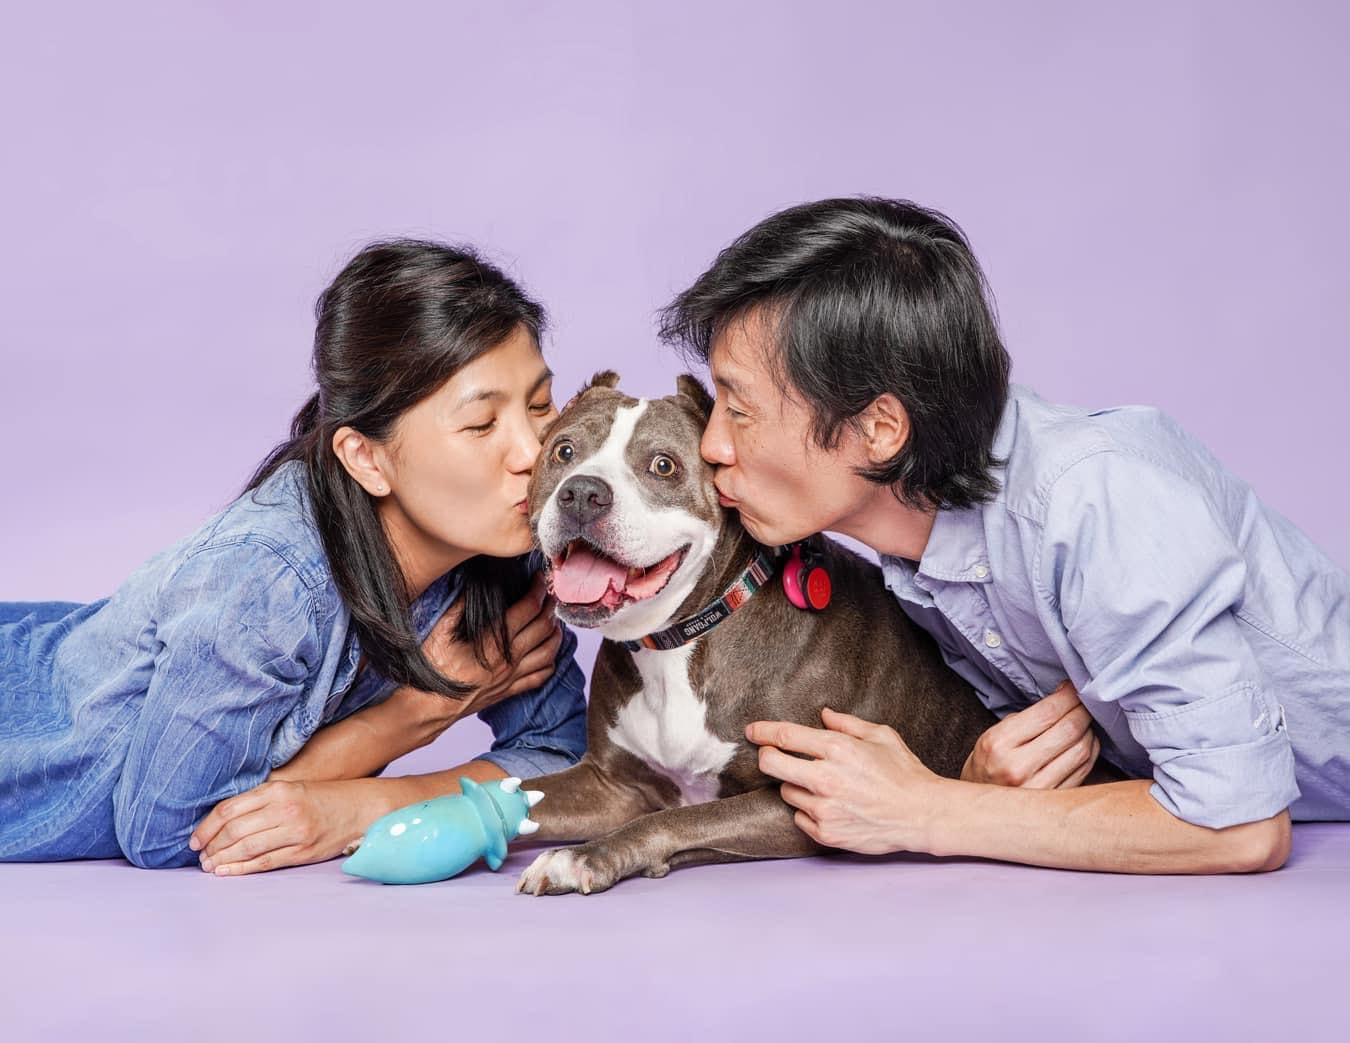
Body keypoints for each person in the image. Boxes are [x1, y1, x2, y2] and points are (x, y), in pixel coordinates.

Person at [659, 196, 1349, 874]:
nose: (713, 443)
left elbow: (1240, 825)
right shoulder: (909, 543)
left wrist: (932, 809)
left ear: (880, 430)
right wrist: (973, 777)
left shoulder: (1091, 501)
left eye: (740, 409)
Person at [1, 239, 587, 872]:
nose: (533, 453)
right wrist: (415, 714)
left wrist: (366, 806)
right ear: (366, 457)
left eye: (538, 405)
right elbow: (167, 829)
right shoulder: (268, 580)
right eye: (480, 425)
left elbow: (570, 761)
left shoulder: (503, 532)